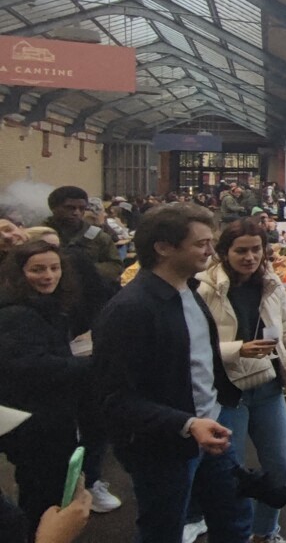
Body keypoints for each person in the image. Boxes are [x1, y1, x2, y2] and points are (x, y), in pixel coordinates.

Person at [95, 203, 253, 543]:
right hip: (165, 449)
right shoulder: (130, 311)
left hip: (211, 430)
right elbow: (115, 399)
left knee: (234, 519)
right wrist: (187, 424)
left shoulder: (189, 291)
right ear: (163, 247)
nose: (212, 251)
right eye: (202, 244)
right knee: (162, 530)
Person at [194, 218, 286, 543]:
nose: (249, 257)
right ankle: (236, 533)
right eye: (241, 250)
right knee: (230, 474)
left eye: (256, 250)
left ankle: (266, 531)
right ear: (224, 252)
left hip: (268, 388)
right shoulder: (204, 288)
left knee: (280, 466)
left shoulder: (269, 280)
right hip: (229, 393)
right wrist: (238, 349)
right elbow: (190, 344)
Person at [0, 240, 95, 538]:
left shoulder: (45, 308)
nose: (48, 276)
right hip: (36, 423)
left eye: (54, 268)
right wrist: (93, 365)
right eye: (37, 270)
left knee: (49, 489)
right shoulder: (17, 314)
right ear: (19, 273)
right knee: (42, 494)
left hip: (48, 417)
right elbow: (32, 366)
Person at [44, 186, 122, 285]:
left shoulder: (98, 237)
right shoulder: (39, 235)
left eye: (81, 208)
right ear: (53, 208)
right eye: (70, 208)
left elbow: (116, 266)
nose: (76, 212)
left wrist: (86, 268)